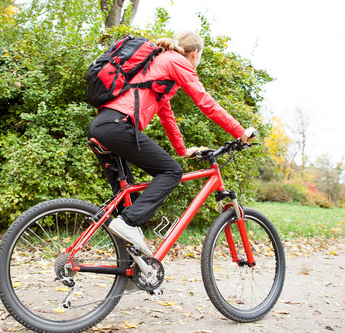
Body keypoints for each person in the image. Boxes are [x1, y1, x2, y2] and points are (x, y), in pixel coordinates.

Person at [88, 31, 255, 257]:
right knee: (171, 171)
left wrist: (182, 150)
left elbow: (166, 115)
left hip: (103, 126)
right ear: (195, 54)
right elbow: (205, 102)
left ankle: (130, 273)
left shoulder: (159, 63)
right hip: (118, 126)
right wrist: (240, 131)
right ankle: (127, 223)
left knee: (129, 204)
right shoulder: (176, 61)